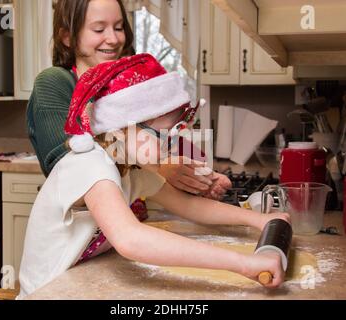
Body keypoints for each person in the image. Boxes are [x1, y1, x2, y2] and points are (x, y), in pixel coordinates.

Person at [18, 53, 290, 298]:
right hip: (46, 292)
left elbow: (189, 205)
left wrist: (260, 220)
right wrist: (243, 263)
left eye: (174, 134)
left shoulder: (128, 166)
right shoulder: (90, 165)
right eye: (161, 135)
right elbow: (130, 239)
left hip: (74, 284)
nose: (169, 145)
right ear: (121, 128)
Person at [27, 0, 231, 201]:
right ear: (67, 37)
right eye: (99, 29)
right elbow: (66, 170)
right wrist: (160, 167)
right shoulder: (54, 82)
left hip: (139, 216)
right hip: (84, 227)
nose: (114, 39)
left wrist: (199, 174)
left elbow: (170, 140)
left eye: (118, 27)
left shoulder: (130, 86)